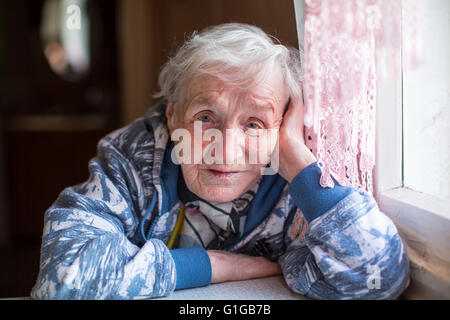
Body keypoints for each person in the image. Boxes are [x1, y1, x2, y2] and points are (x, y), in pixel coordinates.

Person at [31, 23, 409, 300]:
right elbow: (63, 279)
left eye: (255, 123)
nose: (226, 151)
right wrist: (215, 266)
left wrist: (297, 162)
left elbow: (379, 278)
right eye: (206, 117)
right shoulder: (133, 158)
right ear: (173, 115)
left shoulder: (297, 187)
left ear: (283, 126)